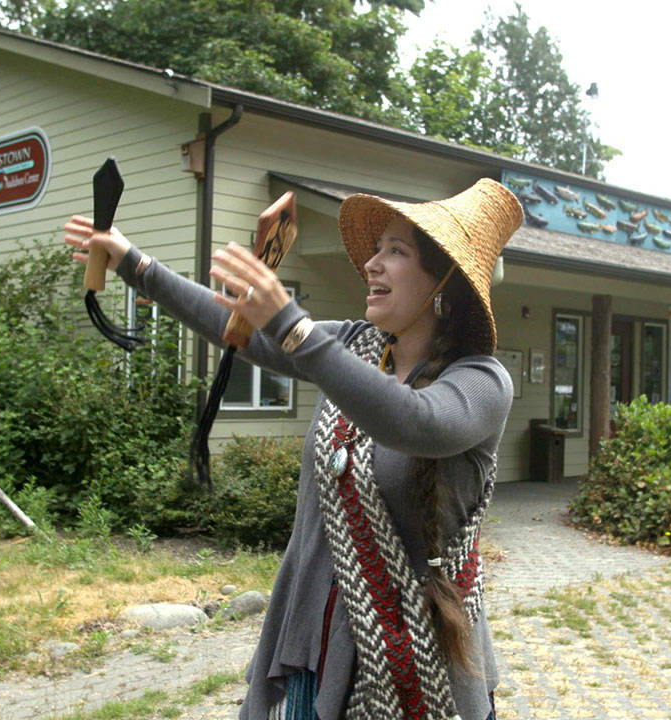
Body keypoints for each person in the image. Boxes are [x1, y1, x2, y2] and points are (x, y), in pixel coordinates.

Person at [64, 178, 523, 720]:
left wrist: (291, 323)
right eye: (376, 250)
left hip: (422, 667)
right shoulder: (352, 346)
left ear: (446, 282)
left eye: (396, 252)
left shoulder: (482, 382)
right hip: (315, 647)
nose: (372, 264)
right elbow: (237, 326)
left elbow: (412, 421)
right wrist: (133, 263)